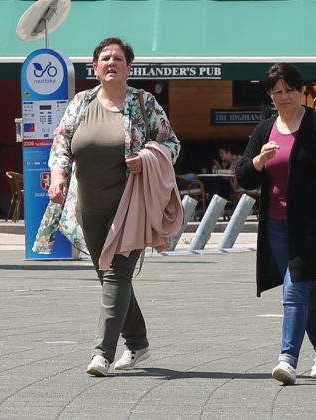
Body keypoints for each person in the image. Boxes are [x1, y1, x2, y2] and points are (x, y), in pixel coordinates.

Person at [33, 37, 181, 377]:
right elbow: (61, 142)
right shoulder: (81, 102)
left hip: (132, 204)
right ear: (95, 67)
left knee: (117, 273)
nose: (111, 63)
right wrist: (58, 175)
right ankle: (138, 343)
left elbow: (171, 144)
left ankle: (102, 353)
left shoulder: (144, 103)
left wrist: (146, 158)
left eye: (118, 58)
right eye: (105, 58)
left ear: (128, 67)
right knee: (108, 274)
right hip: (87, 206)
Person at [235, 63, 316, 386]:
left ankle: (287, 359)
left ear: (301, 90)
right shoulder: (265, 129)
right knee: (305, 290)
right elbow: (243, 174)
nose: (284, 96)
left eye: (290, 89)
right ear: (270, 95)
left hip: (313, 225)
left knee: (294, 289)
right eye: (277, 91)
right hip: (275, 225)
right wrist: (259, 161)